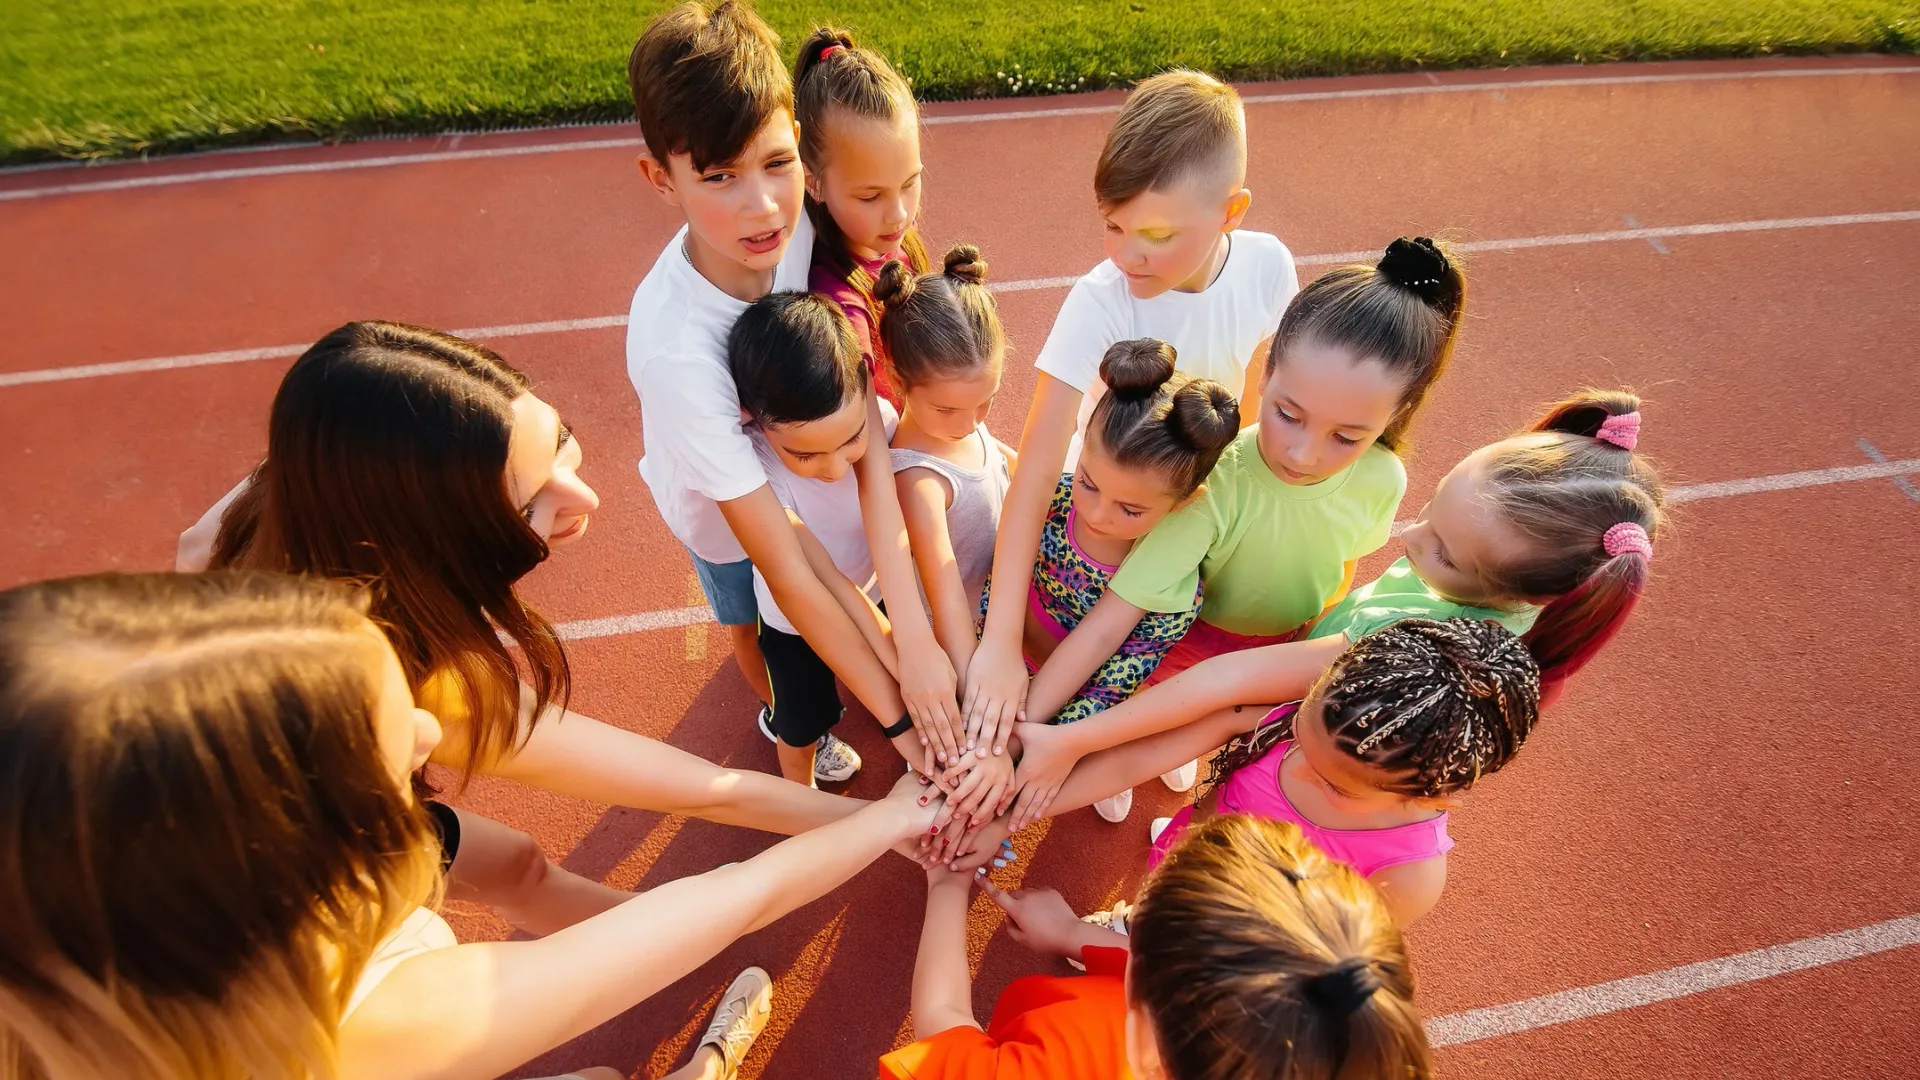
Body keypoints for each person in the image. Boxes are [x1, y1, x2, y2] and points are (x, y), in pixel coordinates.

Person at [0, 570, 946, 1080]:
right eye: (388, 736)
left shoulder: (95, 922)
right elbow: (732, 897)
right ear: (276, 840)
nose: (427, 729)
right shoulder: (375, 1032)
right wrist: (893, 816)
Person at [183, 321, 930, 935]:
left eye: (559, 441)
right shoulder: (392, 678)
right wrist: (886, 818)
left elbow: (312, 440)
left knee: (514, 866)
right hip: (298, 880)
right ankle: (649, 948)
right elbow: (702, 788)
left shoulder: (284, 519)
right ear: (430, 536)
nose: (587, 497)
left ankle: (649, 941)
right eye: (530, 501)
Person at [1001, 389, 1666, 827]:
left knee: (1213, 817)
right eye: (1430, 512)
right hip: (1295, 728)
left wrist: (1070, 739)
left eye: (1440, 550)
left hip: (1295, 765)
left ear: (1521, 595)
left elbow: (1229, 697)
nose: (1408, 539)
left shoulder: (1407, 646)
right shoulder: (1492, 602)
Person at [623, 1, 965, 765]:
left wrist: (908, 634)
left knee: (840, 587)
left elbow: (867, 429)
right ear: (660, 177)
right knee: (755, 626)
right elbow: (784, 559)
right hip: (724, 509)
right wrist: (907, 728)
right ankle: (783, 717)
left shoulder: (799, 223)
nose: (763, 205)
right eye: (718, 177)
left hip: (807, 455)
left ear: (801, 153)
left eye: (777, 163)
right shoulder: (677, 355)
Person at [965, 69, 1299, 752]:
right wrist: (997, 641)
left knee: (1167, 629)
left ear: (1230, 212)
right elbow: (1035, 463)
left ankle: (1118, 727)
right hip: (1101, 494)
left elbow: (1261, 408)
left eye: (1154, 233)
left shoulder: (1267, 268)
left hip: (1189, 493)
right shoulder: (1101, 298)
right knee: (1068, 629)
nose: (1126, 254)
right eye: (1112, 227)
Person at [971, 618, 1540, 928]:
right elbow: (1131, 759)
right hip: (1182, 883)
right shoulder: (1299, 723)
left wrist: (1075, 940)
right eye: (1299, 737)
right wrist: (1010, 819)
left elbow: (1278, 982)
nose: (1300, 765)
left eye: (1335, 786)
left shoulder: (1407, 879)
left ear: (1437, 794)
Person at [887, 815, 1433, 1080]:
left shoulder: (1065, 1060)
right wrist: (1072, 933)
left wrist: (946, 883)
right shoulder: (1236, 1012)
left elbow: (943, 1023)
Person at [947, 340, 1236, 827]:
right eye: (1088, 481)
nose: (1097, 514)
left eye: (1130, 509)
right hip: (1014, 656)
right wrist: (997, 668)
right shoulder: (1054, 500)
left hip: (1078, 692)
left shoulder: (1172, 591)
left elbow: (1115, 682)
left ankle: (1096, 766)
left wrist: (1041, 736)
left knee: (1066, 756)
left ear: (1185, 502)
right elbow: (1004, 580)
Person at [726, 291, 932, 785]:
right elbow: (819, 574)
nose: (836, 466)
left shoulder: (881, 418)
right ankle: (802, 796)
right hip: (793, 622)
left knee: (906, 677)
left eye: (850, 441)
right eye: (806, 456)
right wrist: (901, 658)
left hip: (875, 589)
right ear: (755, 419)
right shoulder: (751, 466)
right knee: (799, 725)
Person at [876, 245, 1013, 690]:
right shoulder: (918, 479)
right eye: (948, 408)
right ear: (898, 381)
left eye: (985, 402)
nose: (971, 422)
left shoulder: (960, 421)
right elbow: (945, 592)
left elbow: (1007, 462)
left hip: (997, 606)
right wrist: (973, 686)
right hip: (961, 640)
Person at [793, 26, 931, 408]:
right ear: (813, 183)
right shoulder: (839, 301)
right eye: (871, 197)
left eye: (909, 182)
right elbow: (874, 446)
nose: (899, 214)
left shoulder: (887, 237)